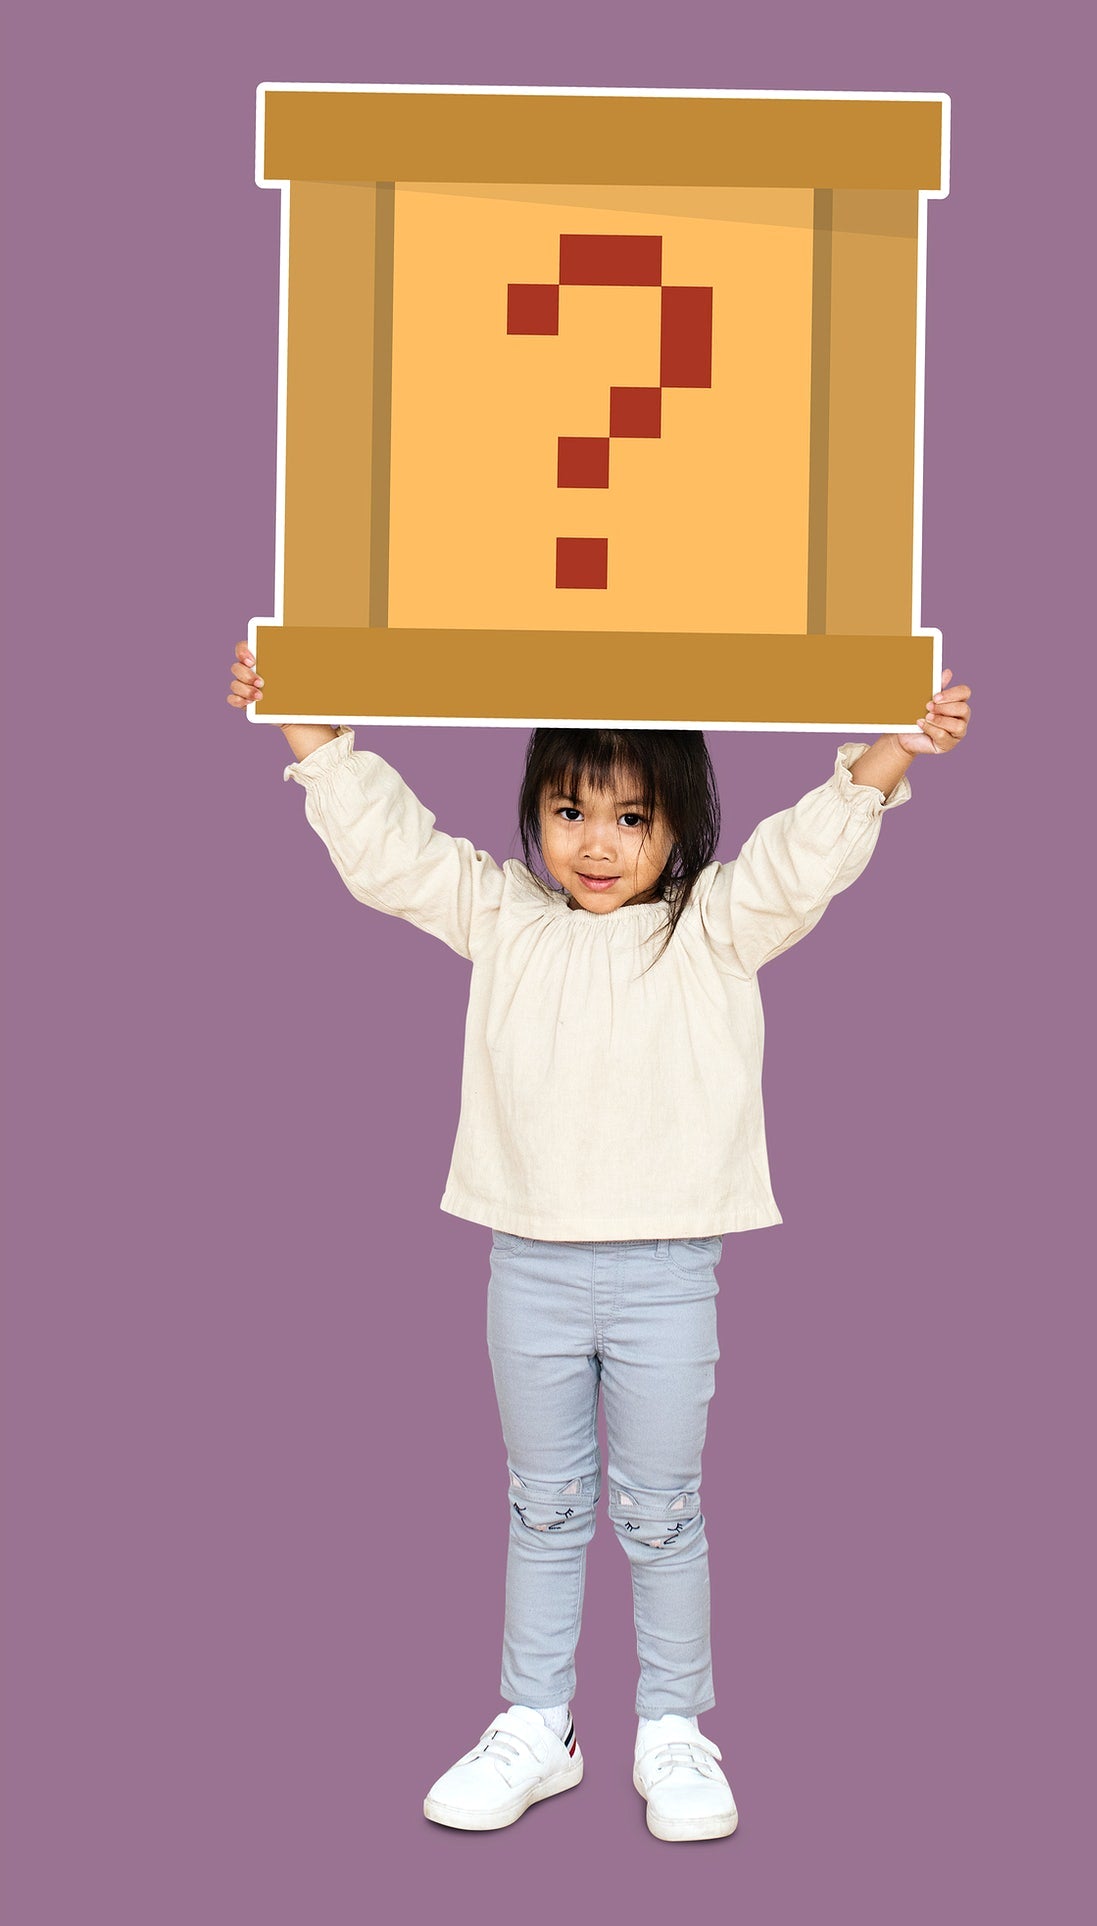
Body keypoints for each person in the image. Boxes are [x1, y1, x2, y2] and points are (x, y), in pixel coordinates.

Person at [227, 646, 972, 1841]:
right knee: (544, 1503)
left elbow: (807, 851)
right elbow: (393, 851)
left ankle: (673, 1728)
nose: (597, 842)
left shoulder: (718, 926)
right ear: (534, 813)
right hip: (526, 1268)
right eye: (570, 809)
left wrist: (896, 747)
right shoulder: (506, 920)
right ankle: (539, 1722)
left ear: (683, 823)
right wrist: (303, 722)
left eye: (633, 816)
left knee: (663, 1507)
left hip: (669, 1278)